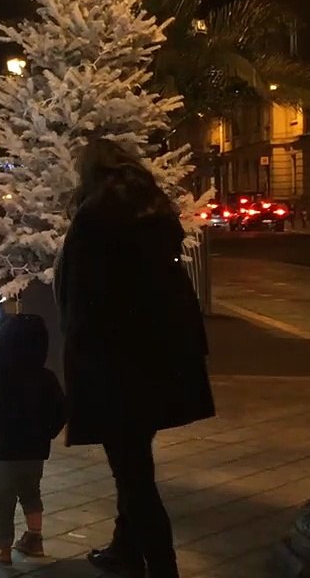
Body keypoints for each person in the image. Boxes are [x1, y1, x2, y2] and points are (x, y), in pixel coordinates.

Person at [55, 139, 215, 578]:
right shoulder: (150, 212)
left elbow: (88, 299)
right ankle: (125, 548)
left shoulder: (96, 218)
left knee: (134, 476)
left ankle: (162, 568)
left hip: (114, 366)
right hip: (155, 363)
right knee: (133, 460)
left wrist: (80, 353)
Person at [0, 315, 66, 565]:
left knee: (2, 499)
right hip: (34, 452)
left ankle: (1, 544)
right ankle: (34, 539)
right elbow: (61, 410)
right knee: (31, 494)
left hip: (2, 453)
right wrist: (46, 433)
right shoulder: (46, 377)